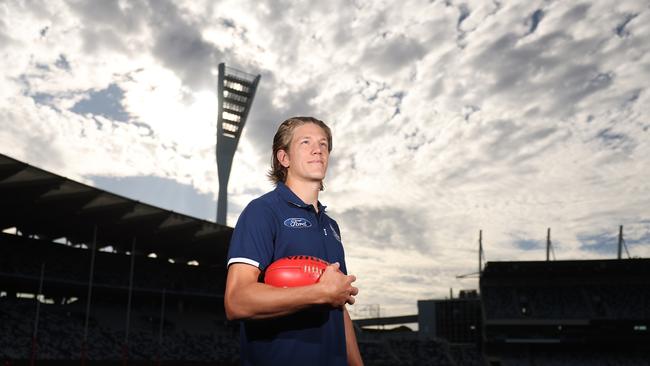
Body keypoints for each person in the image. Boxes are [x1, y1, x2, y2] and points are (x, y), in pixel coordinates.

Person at [225, 116, 363, 365]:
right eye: (305, 142)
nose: (317, 149)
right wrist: (318, 292)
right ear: (284, 158)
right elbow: (237, 301)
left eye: (323, 144)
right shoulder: (263, 211)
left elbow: (338, 306)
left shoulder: (331, 226)